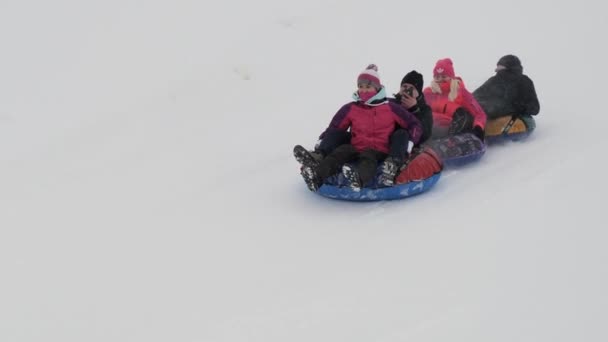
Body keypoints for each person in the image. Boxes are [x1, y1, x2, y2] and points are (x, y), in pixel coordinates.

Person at [297, 64, 423, 192]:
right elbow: (335, 127)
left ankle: (358, 179)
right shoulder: (351, 108)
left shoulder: (390, 108)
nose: (363, 90)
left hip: (379, 150)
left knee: (368, 157)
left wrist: (410, 143)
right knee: (340, 152)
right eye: (360, 87)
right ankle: (316, 177)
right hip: (356, 146)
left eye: (368, 87)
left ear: (377, 88)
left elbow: (414, 124)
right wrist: (322, 142)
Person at [423, 58, 487, 141]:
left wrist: (478, 128)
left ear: (451, 77)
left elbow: (479, 113)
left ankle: (452, 142)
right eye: (437, 77)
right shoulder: (428, 92)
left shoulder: (460, 92)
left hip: (453, 129)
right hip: (432, 127)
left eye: (444, 76)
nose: (440, 79)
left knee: (462, 114)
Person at [473, 54, 540, 121]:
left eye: (500, 68)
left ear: (511, 68)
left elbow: (535, 108)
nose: (497, 70)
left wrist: (515, 106)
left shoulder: (524, 81)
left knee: (494, 110)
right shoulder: (494, 80)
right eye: (498, 67)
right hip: (489, 114)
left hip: (512, 117)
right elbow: (475, 96)